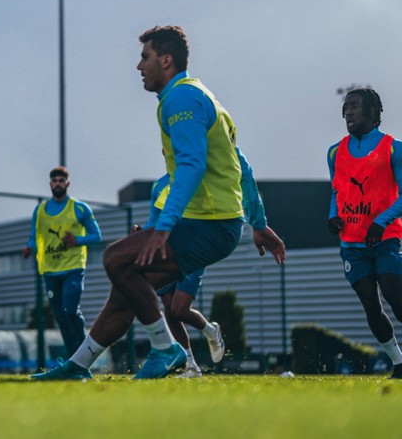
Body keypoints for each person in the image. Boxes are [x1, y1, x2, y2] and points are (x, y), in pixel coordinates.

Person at [33, 25, 285, 381]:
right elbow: (241, 166)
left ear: (166, 60)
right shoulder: (202, 97)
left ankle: (166, 349)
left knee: (115, 258)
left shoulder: (181, 99)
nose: (139, 66)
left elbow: (192, 165)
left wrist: (162, 228)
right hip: (217, 224)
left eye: (145, 57)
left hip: (208, 223)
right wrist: (257, 224)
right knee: (126, 285)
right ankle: (78, 366)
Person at [146, 146, 269, 378]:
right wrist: (141, 231)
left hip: (193, 249)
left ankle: (211, 331)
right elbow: (154, 221)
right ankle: (190, 366)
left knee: (179, 308)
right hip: (166, 249)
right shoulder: (159, 186)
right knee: (170, 311)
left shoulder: (197, 178)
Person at [327, 87, 402, 379]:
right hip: (352, 245)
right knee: (371, 304)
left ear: (372, 113)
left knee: (395, 295)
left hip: (385, 239)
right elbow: (336, 191)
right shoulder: (335, 152)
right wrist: (333, 217)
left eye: (355, 106)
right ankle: (398, 362)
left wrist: (381, 221)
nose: (348, 112)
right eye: (346, 107)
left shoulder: (393, 148)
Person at [22, 166, 101, 356]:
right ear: (50, 184)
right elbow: (34, 236)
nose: (58, 184)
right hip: (50, 271)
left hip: (73, 268)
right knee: (61, 317)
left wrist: (77, 240)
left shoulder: (79, 208)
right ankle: (74, 359)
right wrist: (29, 247)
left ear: (67, 183)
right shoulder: (40, 211)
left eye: (61, 180)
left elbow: (96, 236)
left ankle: (85, 354)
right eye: (54, 181)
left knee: (70, 310)